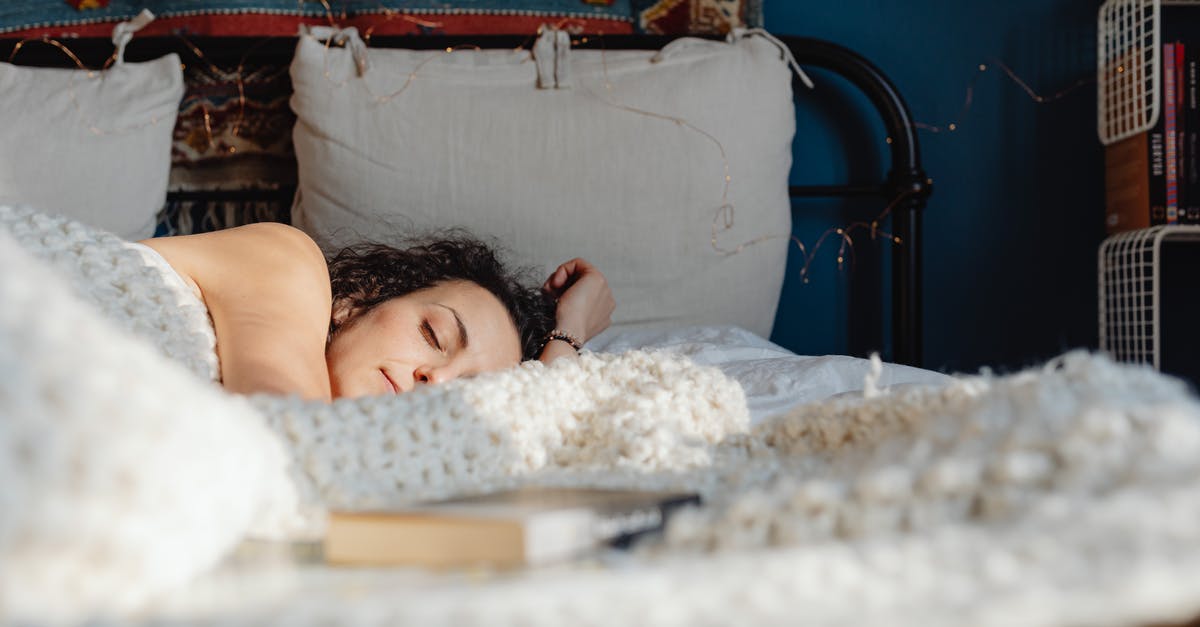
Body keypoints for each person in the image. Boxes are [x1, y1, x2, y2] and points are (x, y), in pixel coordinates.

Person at [138, 222, 614, 401]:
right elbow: (291, 446)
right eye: (433, 334)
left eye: (466, 391)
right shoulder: (286, 260)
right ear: (358, 298)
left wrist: (566, 334)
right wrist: (565, 342)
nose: (436, 380)